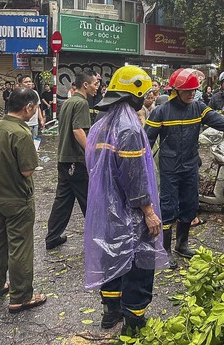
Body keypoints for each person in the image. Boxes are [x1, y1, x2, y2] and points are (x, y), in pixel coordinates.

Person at [84, 65, 168, 331]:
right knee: (139, 265)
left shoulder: (101, 125)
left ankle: (110, 313)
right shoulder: (129, 129)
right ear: (137, 93)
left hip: (107, 207)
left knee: (112, 257)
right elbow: (134, 177)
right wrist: (148, 211)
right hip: (130, 211)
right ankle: (134, 322)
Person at [145, 68, 224, 268]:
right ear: (175, 91)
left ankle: (181, 245)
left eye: (194, 90)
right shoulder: (161, 111)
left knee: (190, 205)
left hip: (190, 166)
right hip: (170, 168)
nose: (192, 94)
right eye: (187, 91)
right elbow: (146, 139)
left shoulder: (198, 107)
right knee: (168, 208)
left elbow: (217, 120)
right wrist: (140, 163)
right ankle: (164, 250)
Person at [0, 87, 47, 313]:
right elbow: (28, 170)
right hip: (18, 198)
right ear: (28, 107)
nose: (35, 111)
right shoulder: (21, 133)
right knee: (20, 245)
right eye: (35, 107)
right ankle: (20, 297)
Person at [45, 71, 98, 250]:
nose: (96, 87)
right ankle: (98, 240)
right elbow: (78, 131)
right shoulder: (81, 103)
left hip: (63, 159)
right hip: (76, 160)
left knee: (63, 200)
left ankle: (52, 236)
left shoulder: (67, 102)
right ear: (85, 85)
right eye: (95, 84)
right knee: (88, 200)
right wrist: (92, 151)